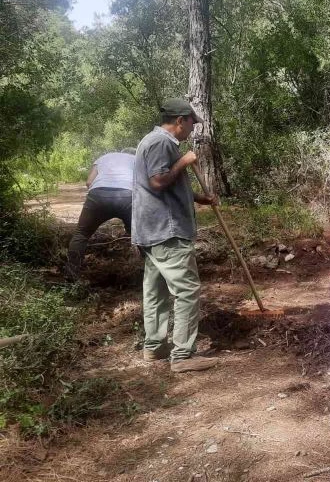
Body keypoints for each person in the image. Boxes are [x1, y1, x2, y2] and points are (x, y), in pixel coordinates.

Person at [132, 98, 219, 373]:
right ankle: (182, 356)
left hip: (151, 230)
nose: (193, 128)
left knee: (156, 290)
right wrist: (184, 160)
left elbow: (164, 183)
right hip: (167, 231)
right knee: (187, 290)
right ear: (180, 120)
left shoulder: (151, 141)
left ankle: (155, 347)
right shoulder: (162, 143)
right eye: (192, 122)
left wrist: (199, 199)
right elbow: (158, 182)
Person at [65, 149, 136, 282]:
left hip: (98, 194)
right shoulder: (136, 159)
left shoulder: (104, 157)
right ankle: (151, 276)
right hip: (128, 195)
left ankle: (71, 276)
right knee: (141, 236)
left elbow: (88, 182)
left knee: (81, 234)